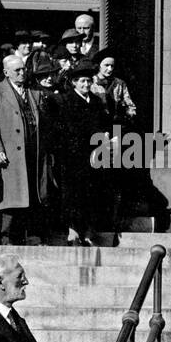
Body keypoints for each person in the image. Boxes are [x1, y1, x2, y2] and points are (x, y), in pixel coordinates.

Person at [0, 53, 49, 245]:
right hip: (11, 156)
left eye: (23, 69)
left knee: (32, 196)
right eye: (17, 71)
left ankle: (30, 240)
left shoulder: (34, 92)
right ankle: (7, 242)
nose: (22, 73)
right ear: (6, 72)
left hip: (33, 154)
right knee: (12, 201)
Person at [49, 62, 110, 246]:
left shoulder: (97, 102)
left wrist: (105, 135)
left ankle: (89, 232)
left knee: (91, 195)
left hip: (93, 156)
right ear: (74, 82)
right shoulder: (65, 101)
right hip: (72, 157)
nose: (85, 85)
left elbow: (103, 124)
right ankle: (73, 231)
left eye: (88, 81)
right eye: (82, 81)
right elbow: (64, 130)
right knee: (73, 195)